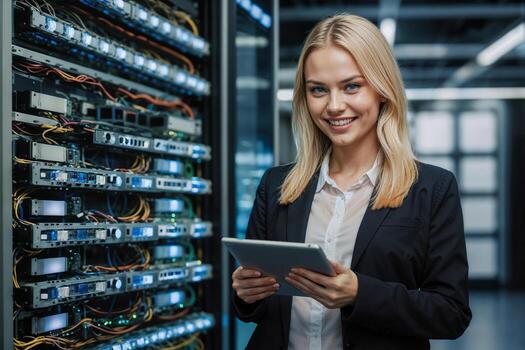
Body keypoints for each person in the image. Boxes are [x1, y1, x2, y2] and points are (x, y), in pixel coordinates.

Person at [231, 14, 471, 350]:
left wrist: (360, 293)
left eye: (351, 86)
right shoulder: (277, 185)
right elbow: (253, 310)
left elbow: (451, 313)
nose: (333, 106)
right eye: (318, 90)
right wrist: (246, 295)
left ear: (382, 90)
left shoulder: (431, 189)